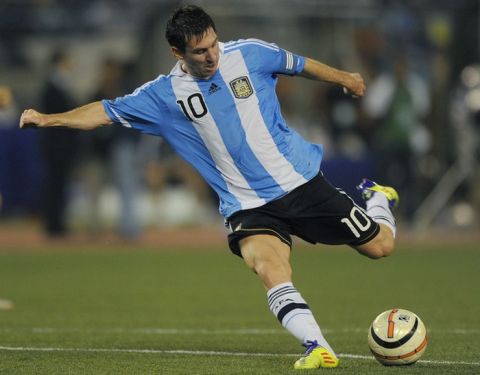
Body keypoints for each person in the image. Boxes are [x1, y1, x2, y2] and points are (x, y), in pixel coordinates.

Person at [20, 5, 399, 370]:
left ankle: (378, 197)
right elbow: (104, 111)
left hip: (300, 182)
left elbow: (299, 65)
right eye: (200, 51)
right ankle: (318, 346)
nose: (212, 56)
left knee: (380, 247)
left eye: (214, 44)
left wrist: (346, 78)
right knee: (269, 267)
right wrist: (48, 119)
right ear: (177, 52)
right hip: (246, 204)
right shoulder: (164, 94)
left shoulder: (250, 53)